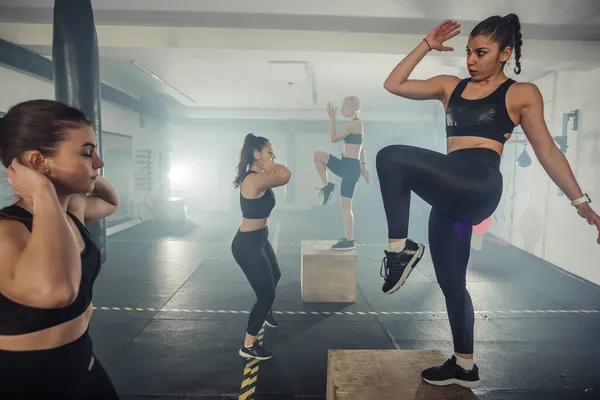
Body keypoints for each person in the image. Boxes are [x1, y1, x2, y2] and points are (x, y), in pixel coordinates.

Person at [377, 15, 600, 388]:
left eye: (481, 53)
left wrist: (582, 204)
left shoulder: (521, 93)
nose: (471, 60)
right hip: (451, 193)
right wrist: (426, 45)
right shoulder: (450, 87)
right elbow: (393, 84)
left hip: (479, 185)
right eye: (468, 52)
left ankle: (400, 250)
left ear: (504, 53)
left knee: (390, 156)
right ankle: (465, 366)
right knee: (451, 282)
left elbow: (546, 150)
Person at [0, 100, 120, 398]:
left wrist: (87, 170)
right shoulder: (7, 231)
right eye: (87, 152)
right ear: (39, 162)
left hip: (83, 362)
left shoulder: (71, 212)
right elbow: (58, 291)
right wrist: (41, 190)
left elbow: (110, 203)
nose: (99, 162)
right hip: (28, 381)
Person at [232, 133, 291, 361]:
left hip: (259, 238)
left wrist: (269, 165)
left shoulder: (260, 175)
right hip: (247, 244)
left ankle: (265, 312)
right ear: (257, 155)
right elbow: (285, 174)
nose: (273, 155)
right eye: (269, 152)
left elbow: (279, 174)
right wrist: (272, 165)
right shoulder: (253, 180)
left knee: (275, 275)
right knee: (266, 294)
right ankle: (248, 345)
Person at [312, 96, 371, 250]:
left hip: (350, 168)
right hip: (346, 164)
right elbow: (362, 148)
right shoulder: (355, 125)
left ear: (352, 109)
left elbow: (333, 138)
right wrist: (364, 166)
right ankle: (327, 185)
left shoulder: (356, 124)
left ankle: (349, 239)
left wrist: (332, 118)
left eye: (344, 107)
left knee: (346, 207)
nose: (342, 109)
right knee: (317, 155)